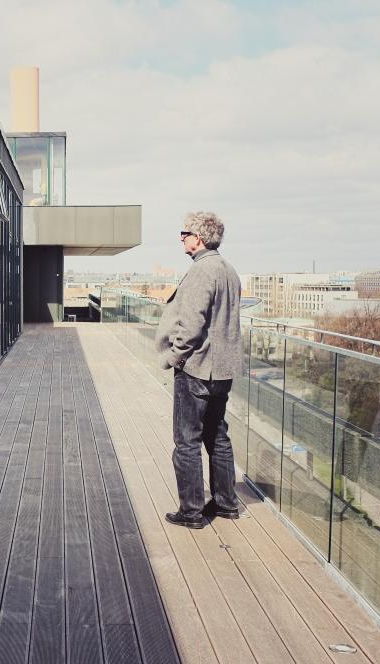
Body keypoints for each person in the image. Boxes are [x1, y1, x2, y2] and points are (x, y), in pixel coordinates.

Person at [155, 211, 243, 529]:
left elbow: (191, 324)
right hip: (223, 370)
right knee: (217, 436)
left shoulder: (201, 271)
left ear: (199, 238)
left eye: (185, 233)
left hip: (198, 368)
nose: (181, 237)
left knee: (187, 440)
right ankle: (226, 503)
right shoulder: (229, 270)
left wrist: (176, 357)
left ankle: (191, 511)